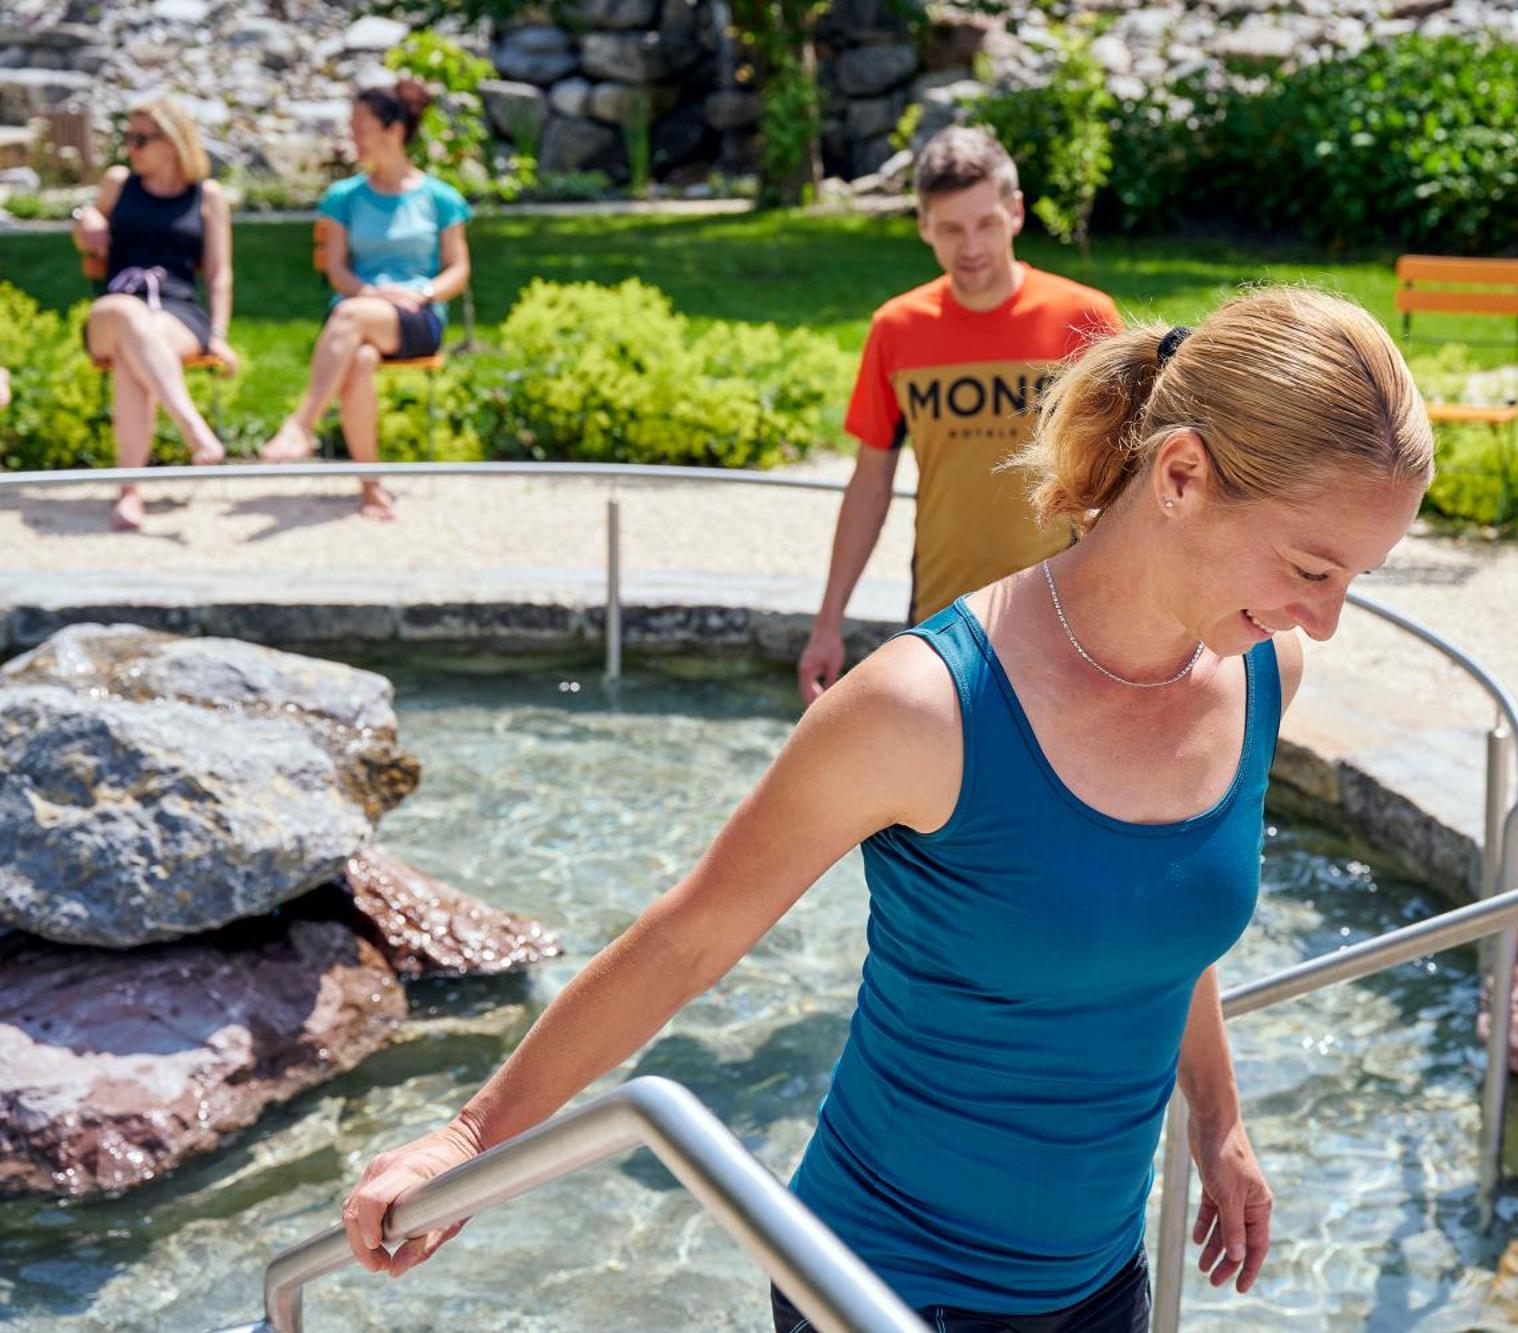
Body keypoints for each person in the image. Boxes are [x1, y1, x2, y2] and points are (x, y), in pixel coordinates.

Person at [338, 286, 1434, 1331]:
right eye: (1311, 568)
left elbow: (1154, 915)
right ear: (1183, 475)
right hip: (880, 1287)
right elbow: (688, 939)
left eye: (1353, 581)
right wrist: (469, 1137)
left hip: (1100, 1282)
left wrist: (1219, 1118)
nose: (1326, 622)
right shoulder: (926, 707)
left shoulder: (1258, 675)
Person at [796, 126, 1121, 703]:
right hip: (942, 620)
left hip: (1068, 614)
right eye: (950, 228)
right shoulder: (896, 330)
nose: (970, 246)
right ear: (923, 226)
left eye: (985, 224)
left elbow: (1127, 477)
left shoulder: (1085, 318)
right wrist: (828, 624)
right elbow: (870, 484)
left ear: (1015, 213)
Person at [259, 79, 470, 521]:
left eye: (361, 126)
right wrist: (371, 292)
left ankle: (302, 425)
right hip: (361, 313)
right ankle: (371, 489)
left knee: (350, 317)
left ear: (393, 130)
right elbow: (337, 270)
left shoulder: (440, 198)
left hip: (416, 318)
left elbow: (457, 270)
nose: (352, 135)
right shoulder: (344, 198)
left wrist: (421, 292)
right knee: (359, 358)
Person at [72, 97, 238, 531]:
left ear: (173, 142)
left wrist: (218, 333)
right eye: (128, 138)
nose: (132, 147)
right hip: (114, 307)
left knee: (135, 355)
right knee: (129, 318)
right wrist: (85, 217)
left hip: (178, 313)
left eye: (142, 139)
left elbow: (220, 274)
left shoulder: (207, 196)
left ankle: (130, 493)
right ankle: (192, 428)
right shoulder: (118, 183)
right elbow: (86, 226)